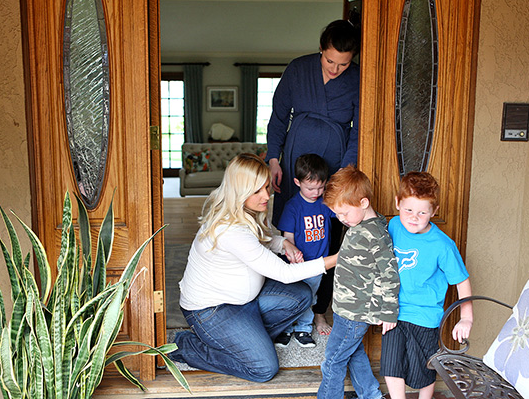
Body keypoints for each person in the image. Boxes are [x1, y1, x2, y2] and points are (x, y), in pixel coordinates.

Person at [169, 153, 337, 383]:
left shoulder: (248, 213)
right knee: (263, 367)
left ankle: (247, 339)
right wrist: (335, 259)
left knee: (302, 295)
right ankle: (185, 345)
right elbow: (285, 274)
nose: (266, 196)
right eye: (257, 190)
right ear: (240, 191)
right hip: (212, 311)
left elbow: (263, 239)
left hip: (244, 302)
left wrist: (284, 243)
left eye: (267, 187)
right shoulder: (230, 229)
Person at [266, 18, 360, 335]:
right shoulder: (298, 68)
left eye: (343, 64)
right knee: (292, 232)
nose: (335, 69)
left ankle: (319, 311)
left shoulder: (359, 78)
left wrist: (344, 175)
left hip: (334, 166)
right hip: (296, 160)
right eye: (330, 61)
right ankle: (283, 309)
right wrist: (274, 159)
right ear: (320, 49)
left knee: (326, 240)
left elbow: (359, 132)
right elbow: (278, 116)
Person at [381, 172, 473, 399]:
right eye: (408, 210)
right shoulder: (393, 225)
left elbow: (461, 280)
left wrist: (467, 317)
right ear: (397, 203)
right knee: (391, 363)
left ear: (434, 211)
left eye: (422, 212)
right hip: (394, 312)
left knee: (426, 367)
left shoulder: (443, 245)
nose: (413, 217)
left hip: (425, 315)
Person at [317, 166, 400, 399]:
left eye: (344, 213)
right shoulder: (361, 226)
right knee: (354, 354)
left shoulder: (376, 235)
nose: (341, 219)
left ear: (363, 202)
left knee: (332, 361)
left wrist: (388, 312)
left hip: (355, 313)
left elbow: (390, 274)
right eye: (337, 214)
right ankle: (371, 394)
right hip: (347, 309)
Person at [275, 154, 335, 348]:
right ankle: (285, 327)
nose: (316, 192)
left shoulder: (325, 202)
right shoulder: (293, 207)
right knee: (291, 296)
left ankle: (303, 327)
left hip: (317, 264)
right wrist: (291, 256)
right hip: (296, 264)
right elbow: (288, 237)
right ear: (297, 182)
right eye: (310, 188)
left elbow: (342, 214)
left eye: (320, 187)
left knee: (309, 295)